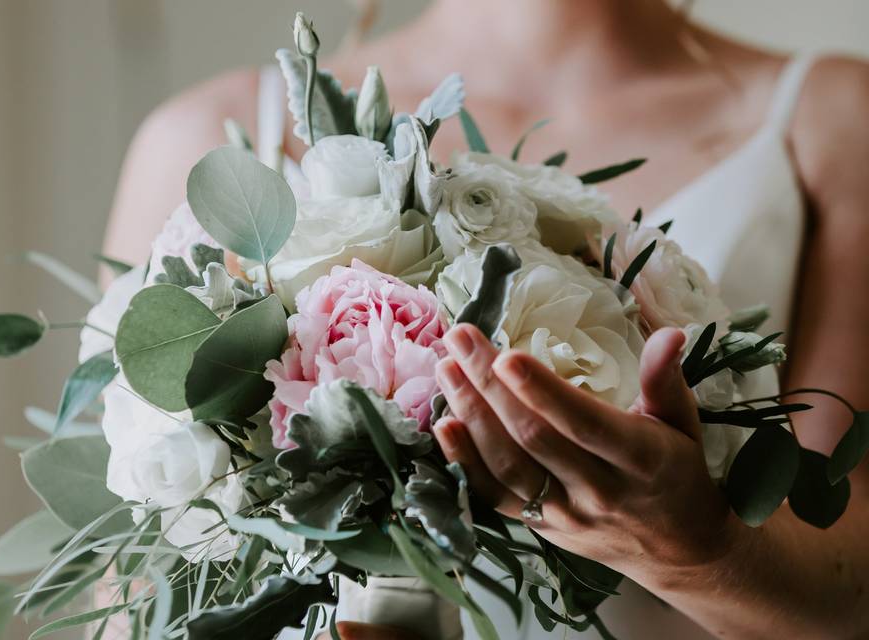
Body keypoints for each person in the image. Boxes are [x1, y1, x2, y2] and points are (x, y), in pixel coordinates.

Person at [103, 1, 869, 637]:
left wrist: (699, 552)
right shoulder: (212, 136)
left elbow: (852, 593)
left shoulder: (833, 122)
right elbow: (125, 606)